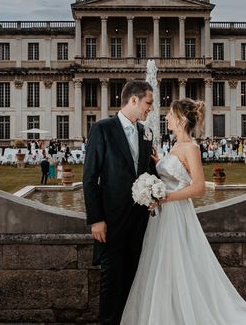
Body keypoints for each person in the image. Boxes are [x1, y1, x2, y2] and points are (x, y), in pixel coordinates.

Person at [121, 98, 246, 325]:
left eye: (170, 114)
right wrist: (159, 167)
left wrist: (165, 197)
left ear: (180, 118)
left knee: (179, 264)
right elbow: (173, 175)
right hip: (163, 217)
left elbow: (198, 188)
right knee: (162, 267)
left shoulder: (191, 148)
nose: (166, 117)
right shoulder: (175, 146)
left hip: (176, 215)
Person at [82, 80, 157, 325]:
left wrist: (156, 193)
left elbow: (149, 173)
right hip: (111, 222)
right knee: (111, 281)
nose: (151, 109)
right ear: (133, 100)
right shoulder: (102, 129)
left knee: (134, 280)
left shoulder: (147, 132)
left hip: (140, 222)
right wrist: (96, 219)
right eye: (148, 103)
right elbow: (90, 178)